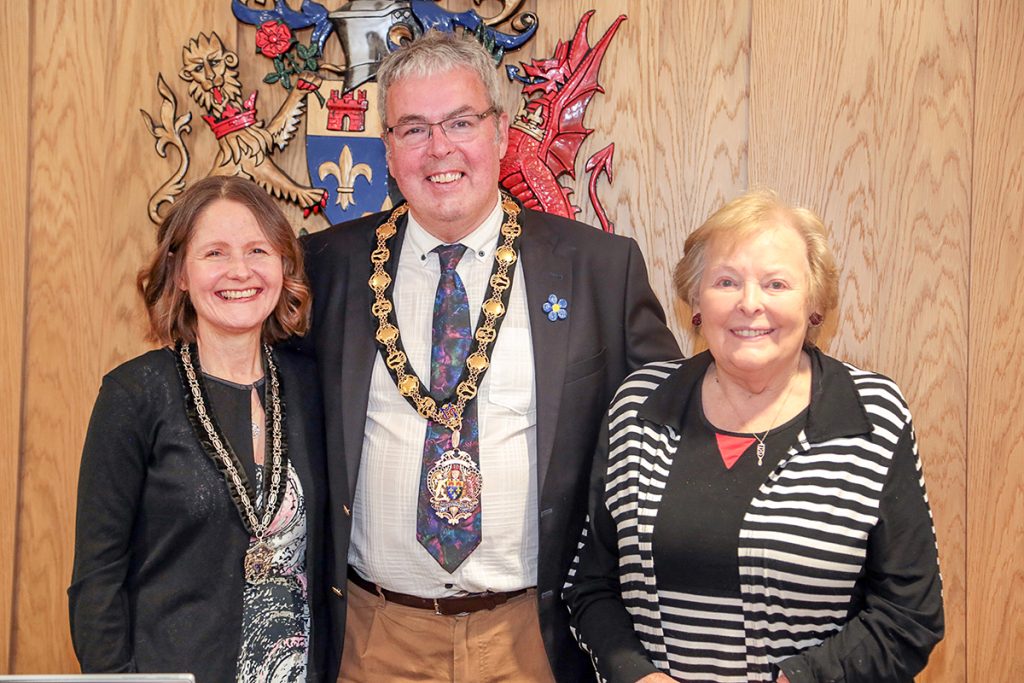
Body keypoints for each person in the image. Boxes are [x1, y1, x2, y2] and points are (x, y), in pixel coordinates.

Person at [298, 31, 680, 682]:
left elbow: (672, 430)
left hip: (532, 636)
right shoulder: (328, 268)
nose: (439, 148)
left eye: (461, 122)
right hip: (375, 637)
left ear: (502, 133)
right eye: (413, 128)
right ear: (388, 150)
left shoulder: (597, 270)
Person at [563, 189, 945, 682]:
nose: (750, 304)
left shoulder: (872, 412)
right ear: (696, 301)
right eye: (726, 281)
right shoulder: (639, 404)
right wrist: (637, 675)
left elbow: (909, 614)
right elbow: (589, 583)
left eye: (776, 284)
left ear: (814, 304)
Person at [68, 176, 328, 683]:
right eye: (214, 253)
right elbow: (96, 580)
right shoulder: (134, 395)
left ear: (283, 266)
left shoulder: (312, 389)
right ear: (181, 272)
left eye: (259, 250)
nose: (240, 271)